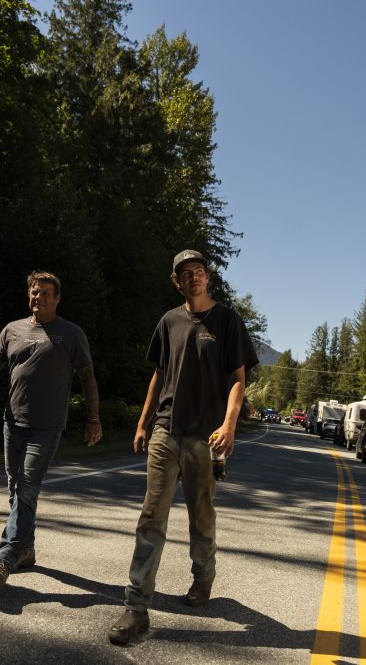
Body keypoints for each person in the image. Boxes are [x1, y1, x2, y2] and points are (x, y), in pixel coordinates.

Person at [108, 249, 258, 645]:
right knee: (151, 517)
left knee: (201, 516)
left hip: (206, 439)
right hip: (165, 432)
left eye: (200, 271)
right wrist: (142, 423)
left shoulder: (226, 321)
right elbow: (159, 376)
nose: (194, 277)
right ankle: (136, 606)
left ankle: (203, 576)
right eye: (186, 273)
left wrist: (229, 424)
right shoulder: (168, 321)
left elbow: (239, 379)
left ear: (208, 277)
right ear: (176, 281)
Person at [0, 271, 102, 596]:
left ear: (58, 298)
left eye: (47, 293)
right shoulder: (12, 330)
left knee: (26, 487)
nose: (40, 298)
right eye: (35, 292)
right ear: (29, 295)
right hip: (13, 422)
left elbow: (88, 378)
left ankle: (3, 559)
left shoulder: (71, 334)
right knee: (14, 488)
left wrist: (93, 417)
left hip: (48, 426)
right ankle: (27, 548)